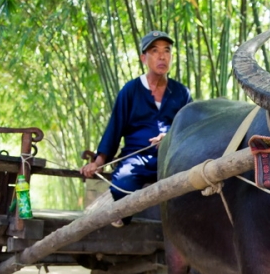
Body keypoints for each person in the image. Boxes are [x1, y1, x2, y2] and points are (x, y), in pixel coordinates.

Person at [81, 30, 193, 226]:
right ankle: (119, 217)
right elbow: (114, 128)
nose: (162, 56)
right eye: (155, 51)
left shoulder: (181, 93)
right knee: (122, 184)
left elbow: (190, 129)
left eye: (166, 51)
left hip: (171, 158)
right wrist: (98, 162)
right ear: (144, 58)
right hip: (136, 158)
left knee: (193, 187)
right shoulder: (130, 90)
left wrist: (168, 138)